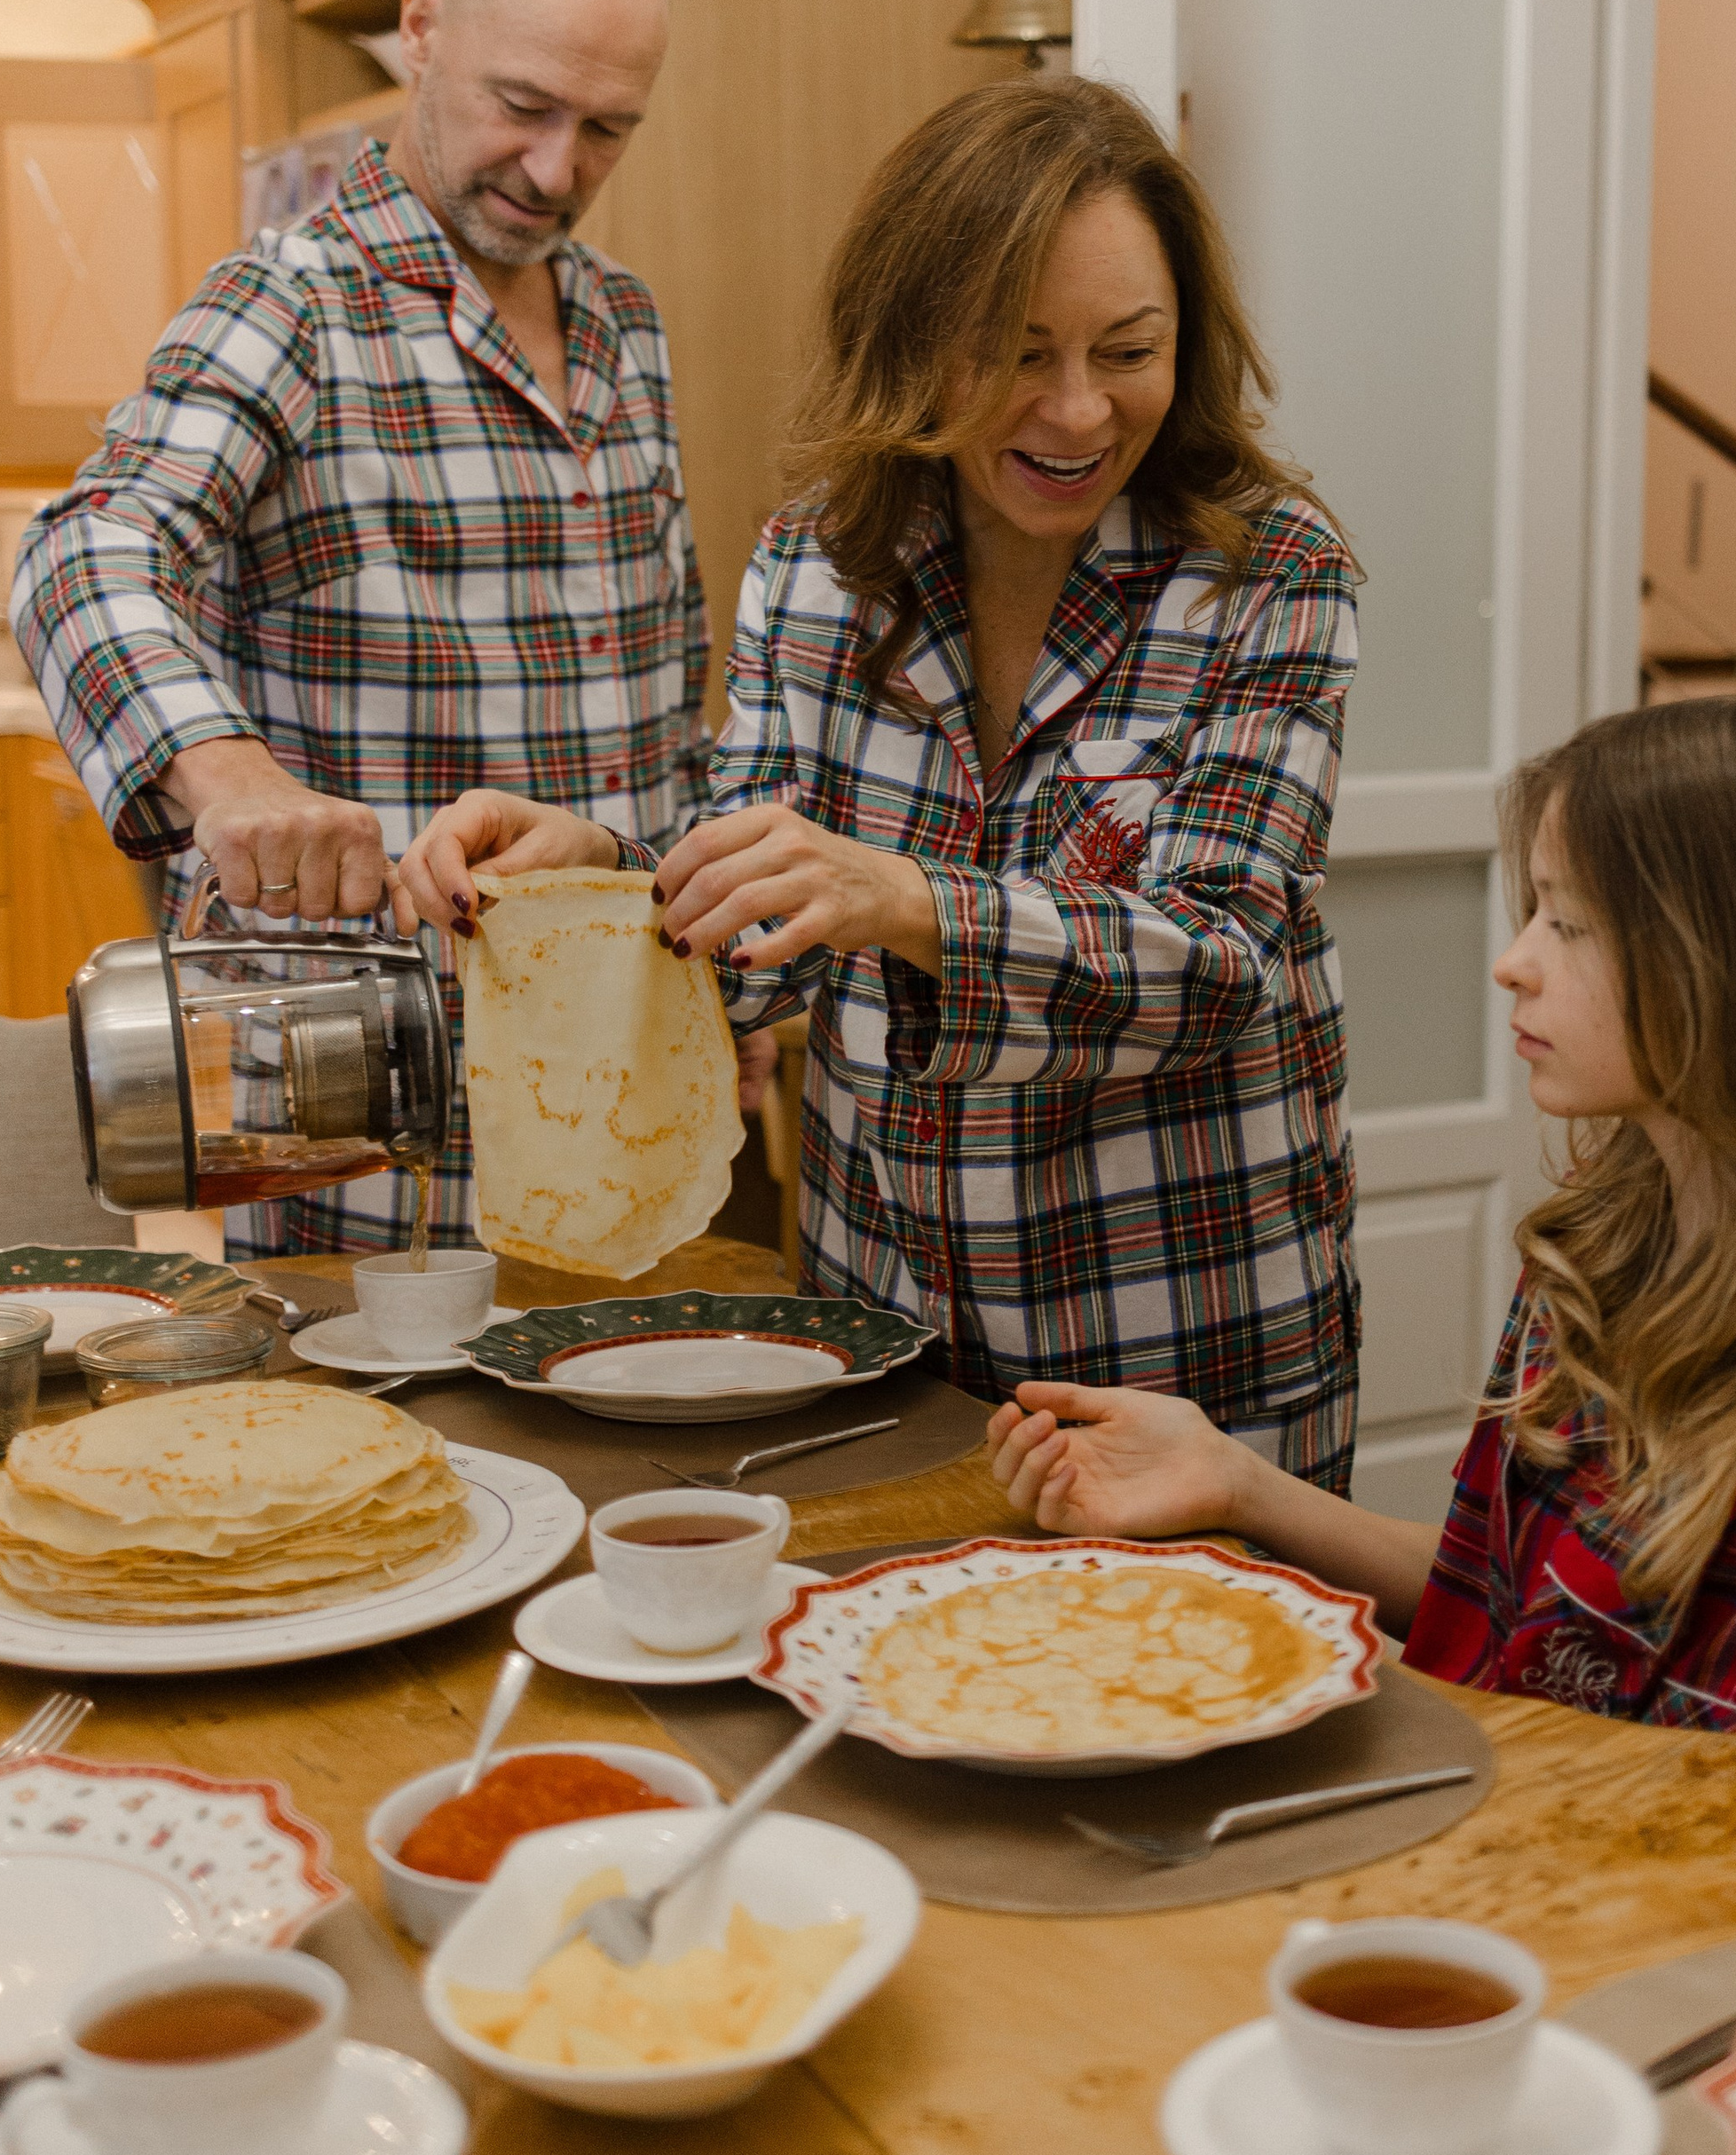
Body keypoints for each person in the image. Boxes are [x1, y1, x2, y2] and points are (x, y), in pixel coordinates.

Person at [400, 76, 1363, 1485]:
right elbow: (756, 957)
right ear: (911, 341)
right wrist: (592, 879)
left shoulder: (1270, 575)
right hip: (885, 1342)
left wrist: (904, 899)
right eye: (1017, 354)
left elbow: (1217, 961)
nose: (1081, 409)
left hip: (1183, 1356)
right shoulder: (820, 561)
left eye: (1129, 350)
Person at [986, 693, 1736, 1827]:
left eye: (1570, 925)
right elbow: (1506, 1599)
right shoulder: (1610, 1242)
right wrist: (1237, 1484)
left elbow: (1711, 1839)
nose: (1512, 962)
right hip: (1494, 1815)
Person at [13, 0, 738, 1259]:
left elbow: (653, 717)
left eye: (606, 129)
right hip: (377, 1140)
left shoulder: (625, 326)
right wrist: (233, 780)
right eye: (521, 107)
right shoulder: (288, 304)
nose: (555, 171)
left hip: (623, 1099)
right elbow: (81, 551)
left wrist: (702, 985)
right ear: (422, 26)